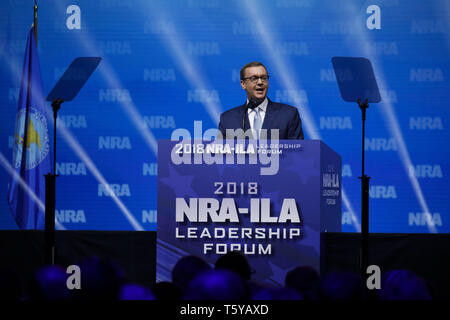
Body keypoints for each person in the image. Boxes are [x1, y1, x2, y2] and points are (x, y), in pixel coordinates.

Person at [218, 61, 304, 140]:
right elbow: (221, 154)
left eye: (264, 78)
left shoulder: (288, 114)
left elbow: (298, 152)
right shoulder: (228, 119)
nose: (260, 82)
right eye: (254, 78)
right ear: (243, 84)